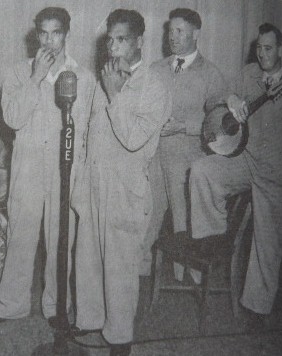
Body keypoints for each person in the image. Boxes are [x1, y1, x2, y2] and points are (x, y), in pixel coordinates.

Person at [0, 7, 95, 323]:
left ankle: (56, 307)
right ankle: (11, 305)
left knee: (62, 241)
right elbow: (13, 118)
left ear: (66, 34)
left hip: (65, 170)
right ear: (36, 36)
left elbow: (86, 129)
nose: (49, 41)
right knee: (21, 236)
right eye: (43, 33)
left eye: (55, 32)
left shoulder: (83, 77)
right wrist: (36, 78)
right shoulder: (19, 72)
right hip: (28, 167)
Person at [71, 9, 172, 356]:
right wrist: (80, 182)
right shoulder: (106, 76)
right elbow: (88, 132)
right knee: (88, 257)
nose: (112, 47)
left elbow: (133, 138)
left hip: (126, 186)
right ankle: (89, 320)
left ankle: (119, 337)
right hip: (95, 180)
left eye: (121, 39)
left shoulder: (154, 86)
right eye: (109, 39)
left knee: (119, 265)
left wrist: (116, 94)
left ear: (140, 42)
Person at [190, 23, 282, 323]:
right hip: (244, 158)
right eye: (259, 47)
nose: (262, 53)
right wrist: (230, 100)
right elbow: (217, 96)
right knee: (202, 169)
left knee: (267, 240)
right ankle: (212, 242)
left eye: (269, 48)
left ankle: (257, 307)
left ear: (280, 50)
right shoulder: (249, 73)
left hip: (274, 170)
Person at [147, 8, 227, 282]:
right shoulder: (155, 70)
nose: (173, 37)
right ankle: (138, 275)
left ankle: (189, 283)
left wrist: (186, 127)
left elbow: (219, 124)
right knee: (146, 217)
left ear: (196, 34)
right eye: (170, 31)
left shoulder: (211, 74)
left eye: (179, 31)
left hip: (186, 160)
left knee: (185, 225)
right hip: (154, 158)